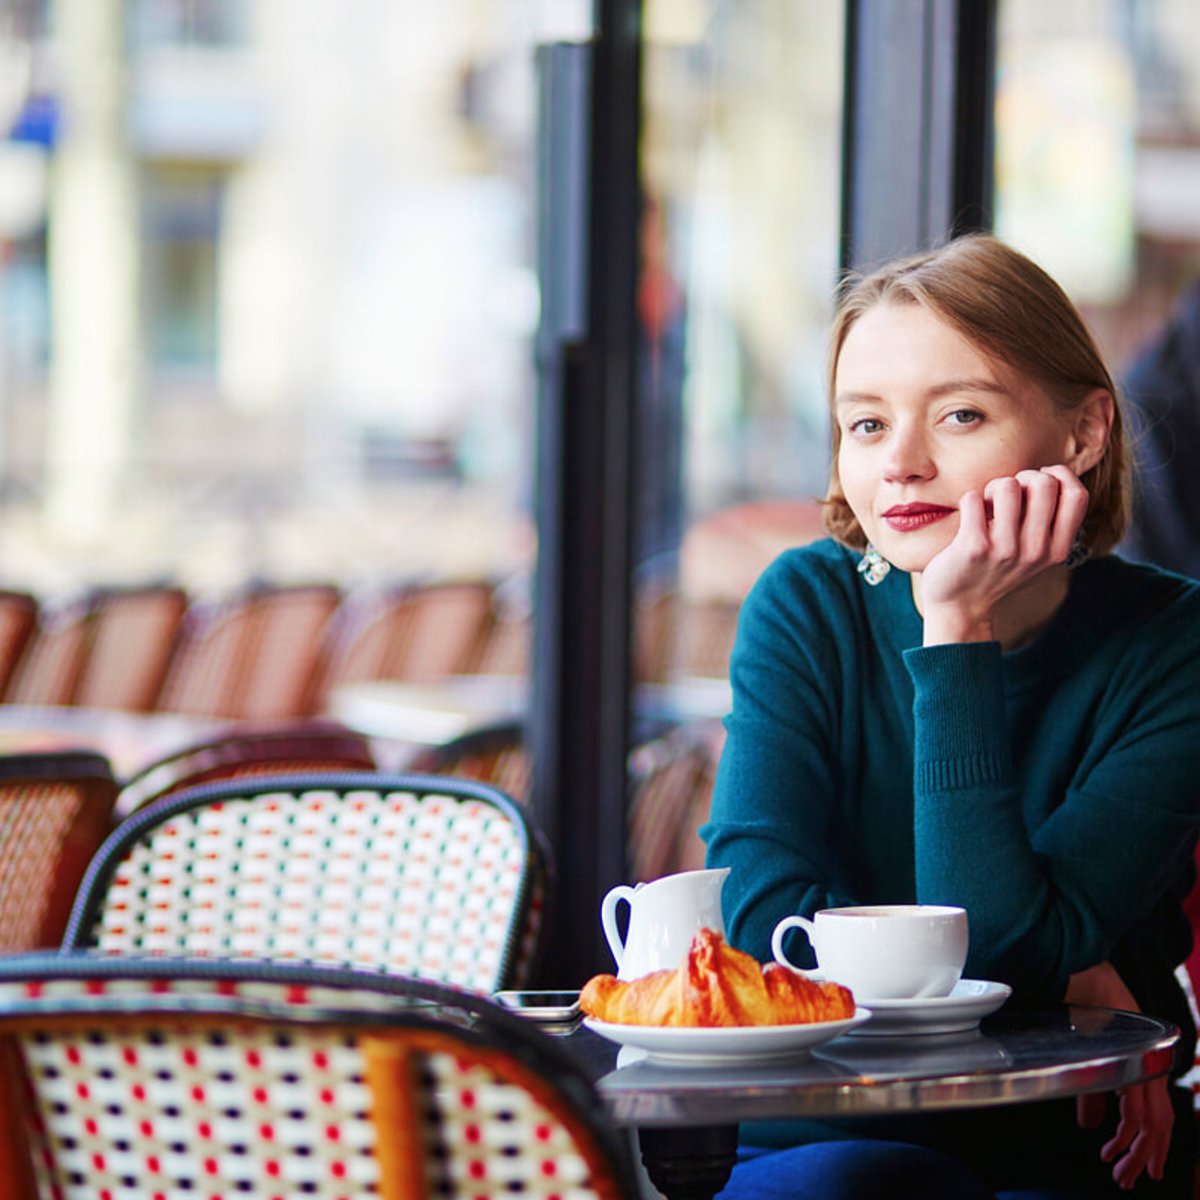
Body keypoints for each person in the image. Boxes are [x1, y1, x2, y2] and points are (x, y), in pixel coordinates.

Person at [701, 233, 1200, 1198]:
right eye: (866, 424)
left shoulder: (1171, 643)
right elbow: (759, 924)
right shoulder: (807, 604)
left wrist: (954, 630)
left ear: (1085, 433)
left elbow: (1006, 946)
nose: (902, 465)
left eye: (961, 414)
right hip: (811, 1128)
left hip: (1062, 1144)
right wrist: (1062, 972)